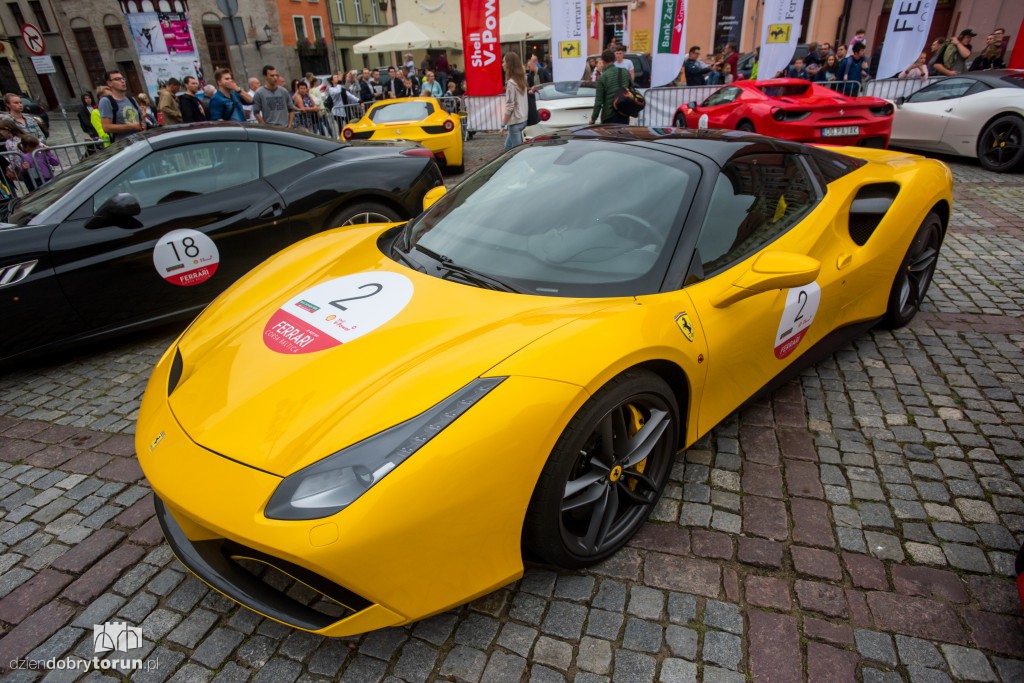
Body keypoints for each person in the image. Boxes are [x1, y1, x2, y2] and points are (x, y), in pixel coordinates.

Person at [98, 70, 143, 143]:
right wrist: (132, 126)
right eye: (117, 79)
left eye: (123, 78)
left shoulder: (131, 99)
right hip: (124, 144)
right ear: (109, 83)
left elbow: (141, 118)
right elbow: (106, 127)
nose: (122, 81)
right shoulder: (106, 101)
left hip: (141, 141)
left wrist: (143, 122)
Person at [589, 50, 631, 125]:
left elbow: (598, 102)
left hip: (609, 115)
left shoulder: (603, 77)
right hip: (624, 113)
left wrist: (593, 119)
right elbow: (631, 89)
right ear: (614, 59)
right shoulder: (625, 72)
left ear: (603, 61)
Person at [500, 52, 528, 151]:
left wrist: (502, 125)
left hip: (515, 122)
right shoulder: (522, 79)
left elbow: (510, 106)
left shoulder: (511, 83)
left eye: (504, 62)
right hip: (523, 119)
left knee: (517, 152)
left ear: (509, 64)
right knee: (507, 149)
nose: (502, 64)